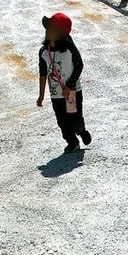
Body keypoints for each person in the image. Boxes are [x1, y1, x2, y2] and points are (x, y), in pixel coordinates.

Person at [37, 12, 92, 153]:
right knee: (62, 121)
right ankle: (72, 142)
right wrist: (41, 95)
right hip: (56, 95)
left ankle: (81, 130)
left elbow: (79, 66)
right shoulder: (43, 52)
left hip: (72, 92)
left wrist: (70, 85)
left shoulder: (70, 50)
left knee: (75, 118)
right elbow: (43, 74)